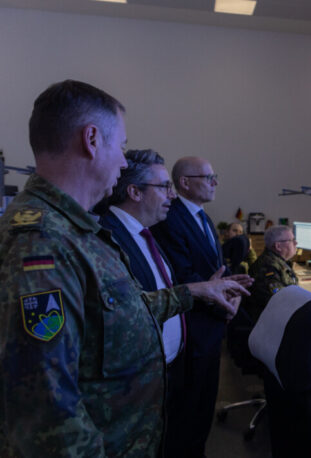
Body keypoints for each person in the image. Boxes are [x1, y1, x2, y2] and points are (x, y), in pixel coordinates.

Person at [0, 80, 248, 456]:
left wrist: (193, 292)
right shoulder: (41, 241)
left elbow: (115, 313)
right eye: (121, 146)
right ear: (92, 140)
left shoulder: (76, 227)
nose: (122, 160)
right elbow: (46, 409)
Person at [97, 149, 188, 457]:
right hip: (132, 384)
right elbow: (125, 308)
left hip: (164, 370)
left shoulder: (147, 233)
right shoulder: (109, 236)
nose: (172, 196)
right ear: (134, 192)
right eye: (164, 187)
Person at [151, 156, 233, 457]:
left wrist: (230, 290)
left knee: (202, 412)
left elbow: (215, 271)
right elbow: (182, 275)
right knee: (187, 416)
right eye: (208, 177)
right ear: (185, 183)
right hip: (192, 329)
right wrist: (221, 302)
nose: (215, 182)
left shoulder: (204, 217)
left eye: (215, 176)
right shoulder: (171, 218)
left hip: (211, 327)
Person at [244, 225, 301, 321]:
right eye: (291, 240)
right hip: (273, 323)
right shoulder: (268, 267)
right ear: (278, 246)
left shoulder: (275, 261)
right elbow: (282, 302)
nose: (296, 243)